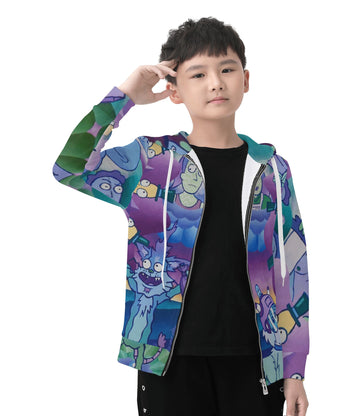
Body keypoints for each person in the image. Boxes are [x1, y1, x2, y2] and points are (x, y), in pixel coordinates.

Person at [52, 16, 310, 416]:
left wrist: (294, 368)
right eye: (198, 74)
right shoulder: (148, 162)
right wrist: (125, 96)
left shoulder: (272, 168)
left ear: (245, 79)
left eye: (227, 69)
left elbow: (292, 268)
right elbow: (70, 167)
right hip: (167, 358)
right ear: (174, 90)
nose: (215, 83)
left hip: (256, 359)